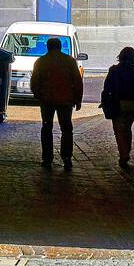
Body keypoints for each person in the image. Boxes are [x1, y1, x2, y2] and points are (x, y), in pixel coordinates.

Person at [30, 37, 83, 170]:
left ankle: (47, 159)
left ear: (48, 47)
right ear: (60, 47)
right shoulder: (70, 61)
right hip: (66, 100)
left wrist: (38, 95)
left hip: (47, 100)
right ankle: (67, 158)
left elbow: (34, 82)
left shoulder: (41, 62)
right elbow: (77, 82)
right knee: (66, 128)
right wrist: (78, 99)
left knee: (46, 128)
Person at [102, 46, 134, 169]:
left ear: (121, 56)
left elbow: (107, 88)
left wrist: (105, 102)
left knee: (119, 130)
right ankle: (126, 152)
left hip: (118, 104)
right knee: (127, 128)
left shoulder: (114, 70)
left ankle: (124, 154)